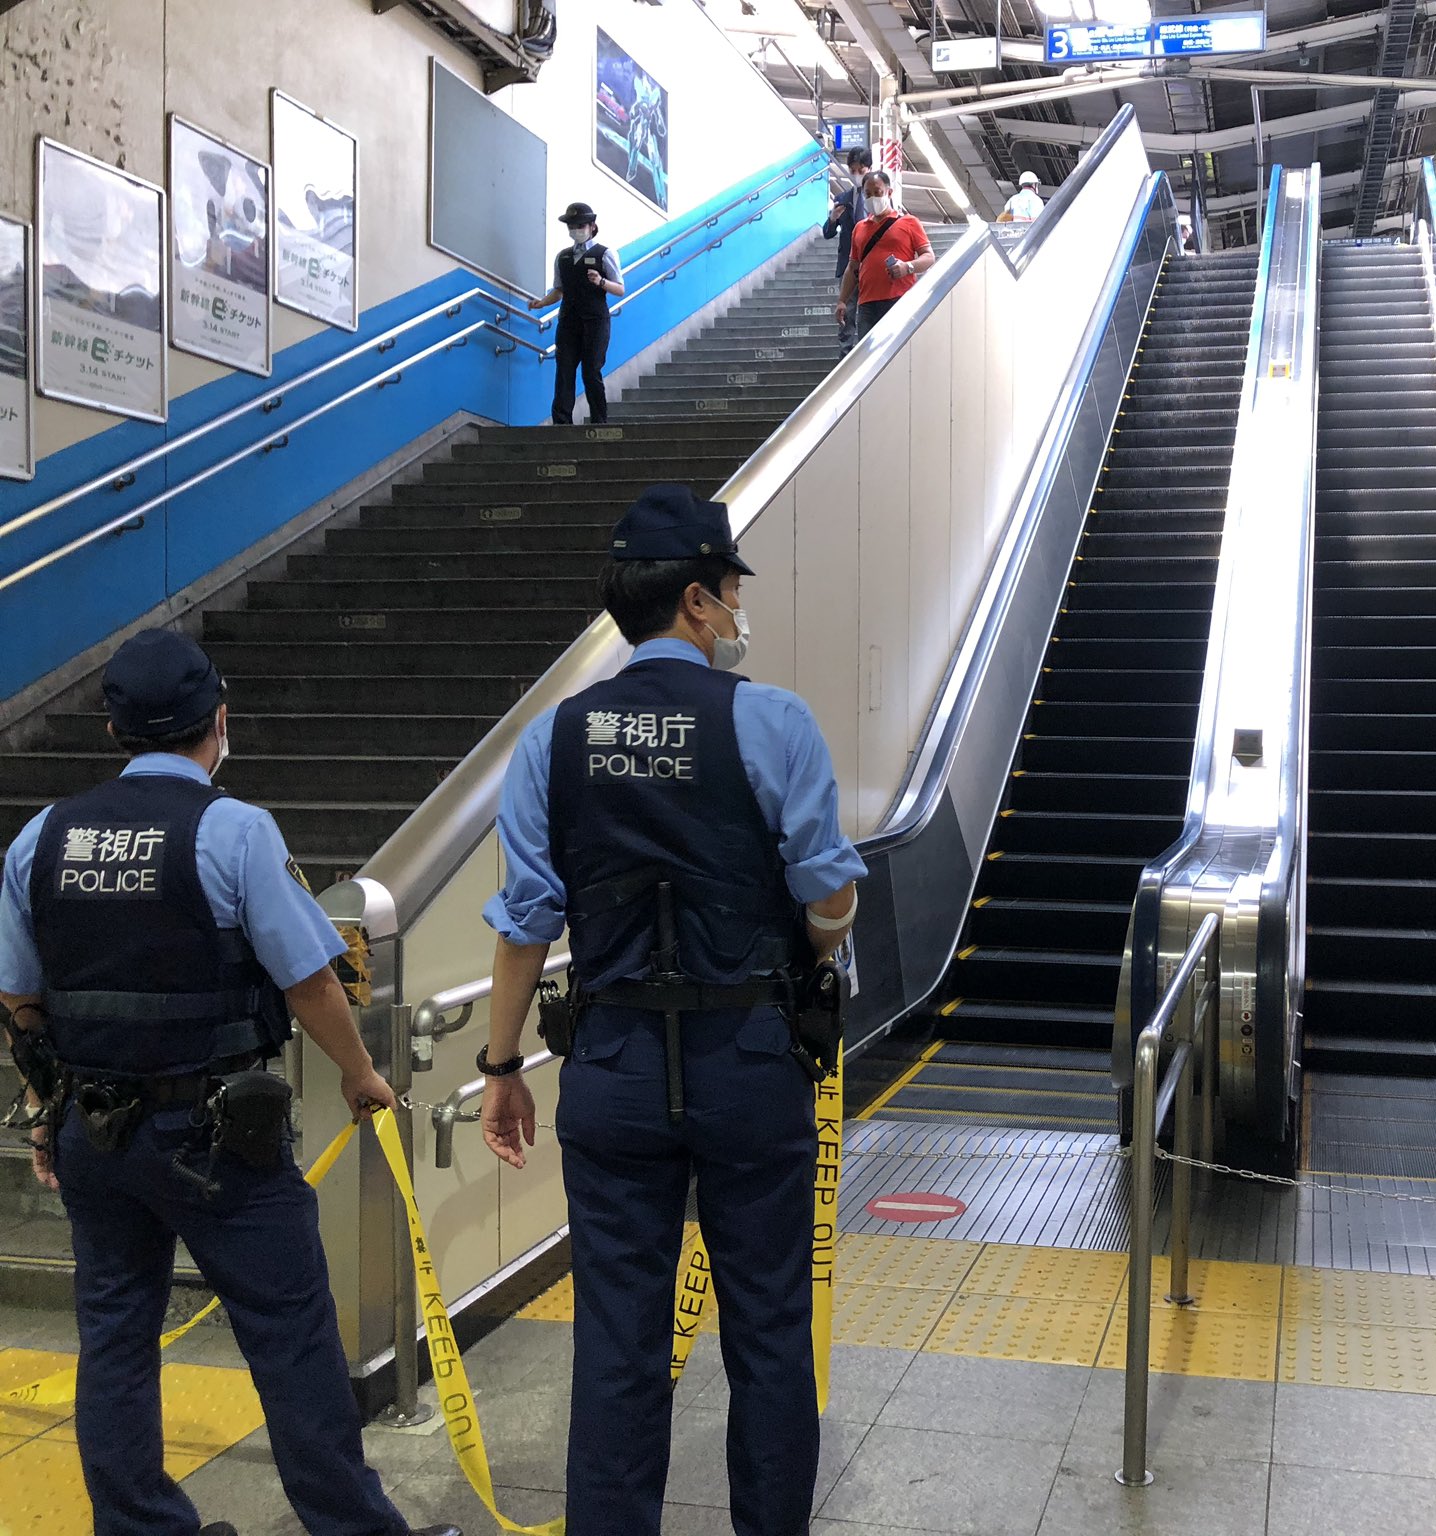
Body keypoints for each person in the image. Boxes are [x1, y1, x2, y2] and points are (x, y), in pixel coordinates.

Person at [0, 629, 460, 1536]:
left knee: (116, 1340)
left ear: (111, 729)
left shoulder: (41, 834)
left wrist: (46, 1099)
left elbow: (16, 992)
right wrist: (363, 1075)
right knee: (291, 1340)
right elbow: (311, 980)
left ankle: (137, 1526)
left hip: (99, 1134)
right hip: (218, 1145)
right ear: (218, 721)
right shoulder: (233, 830)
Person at [475, 484, 863, 1536]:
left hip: (611, 1067)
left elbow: (525, 924)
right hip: (748, 1062)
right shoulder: (770, 721)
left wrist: (501, 1067)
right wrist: (816, 945)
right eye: (730, 590)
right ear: (694, 600)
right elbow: (827, 893)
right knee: (771, 1332)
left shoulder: (551, 742)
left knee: (616, 1340)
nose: (738, 610)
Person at [529, 200, 624, 427]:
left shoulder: (604, 253)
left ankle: (599, 421)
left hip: (596, 321)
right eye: (572, 226)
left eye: (580, 225)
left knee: (591, 370)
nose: (576, 230)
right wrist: (541, 303)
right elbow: (559, 291)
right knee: (564, 370)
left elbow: (620, 288)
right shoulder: (562, 257)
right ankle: (561, 422)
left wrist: (601, 281)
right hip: (569, 321)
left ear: (592, 226)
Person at [834, 171, 934, 345]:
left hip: (900, 299)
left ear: (889, 192)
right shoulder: (859, 228)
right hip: (867, 304)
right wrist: (842, 301)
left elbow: (929, 256)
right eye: (868, 194)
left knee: (899, 352)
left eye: (877, 192)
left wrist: (907, 267)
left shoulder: (909, 222)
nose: (873, 198)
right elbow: (852, 267)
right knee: (868, 355)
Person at [821, 147, 872, 355]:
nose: (857, 174)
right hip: (848, 266)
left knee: (868, 311)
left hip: (871, 265)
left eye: (861, 170)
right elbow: (827, 233)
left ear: (869, 168)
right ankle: (846, 356)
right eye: (853, 170)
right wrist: (833, 218)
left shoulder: (877, 198)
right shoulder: (842, 198)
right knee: (847, 312)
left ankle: (868, 353)